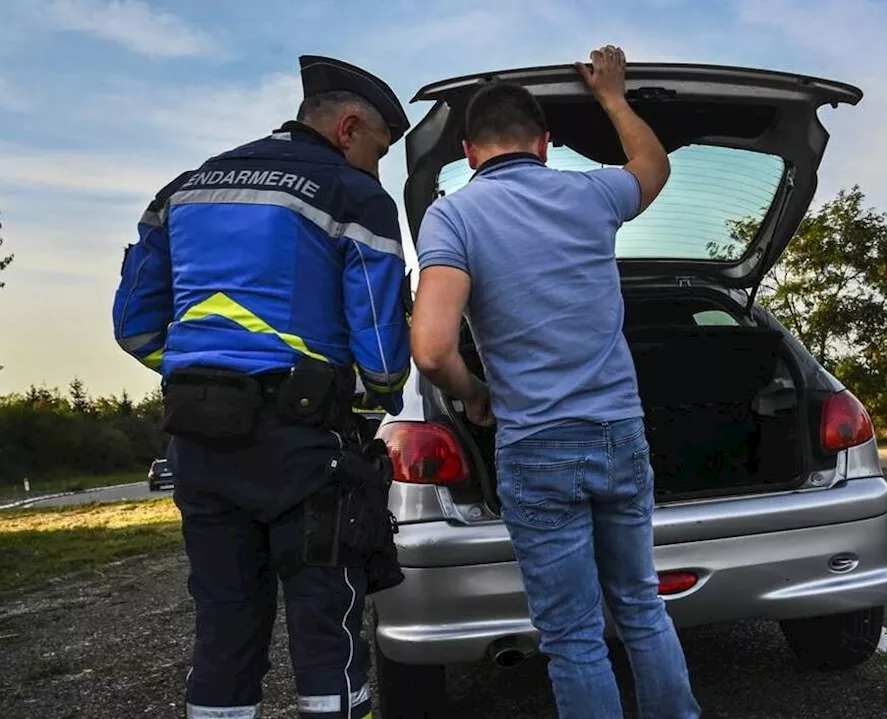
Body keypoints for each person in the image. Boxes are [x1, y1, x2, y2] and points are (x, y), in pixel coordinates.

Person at [111, 54, 411, 719]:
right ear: (350, 127)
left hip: (198, 442)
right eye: (379, 150)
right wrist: (375, 395)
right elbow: (384, 347)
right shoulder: (352, 194)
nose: (377, 167)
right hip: (302, 448)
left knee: (222, 634)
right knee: (326, 631)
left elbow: (133, 327)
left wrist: (201, 373)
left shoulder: (182, 190)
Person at [411, 45, 701, 718]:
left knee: (573, 635)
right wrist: (612, 97)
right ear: (543, 144)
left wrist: (475, 394)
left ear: (468, 150)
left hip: (537, 443)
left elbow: (430, 349)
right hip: (618, 434)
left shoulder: (453, 216)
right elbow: (654, 167)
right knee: (640, 606)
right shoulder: (591, 192)